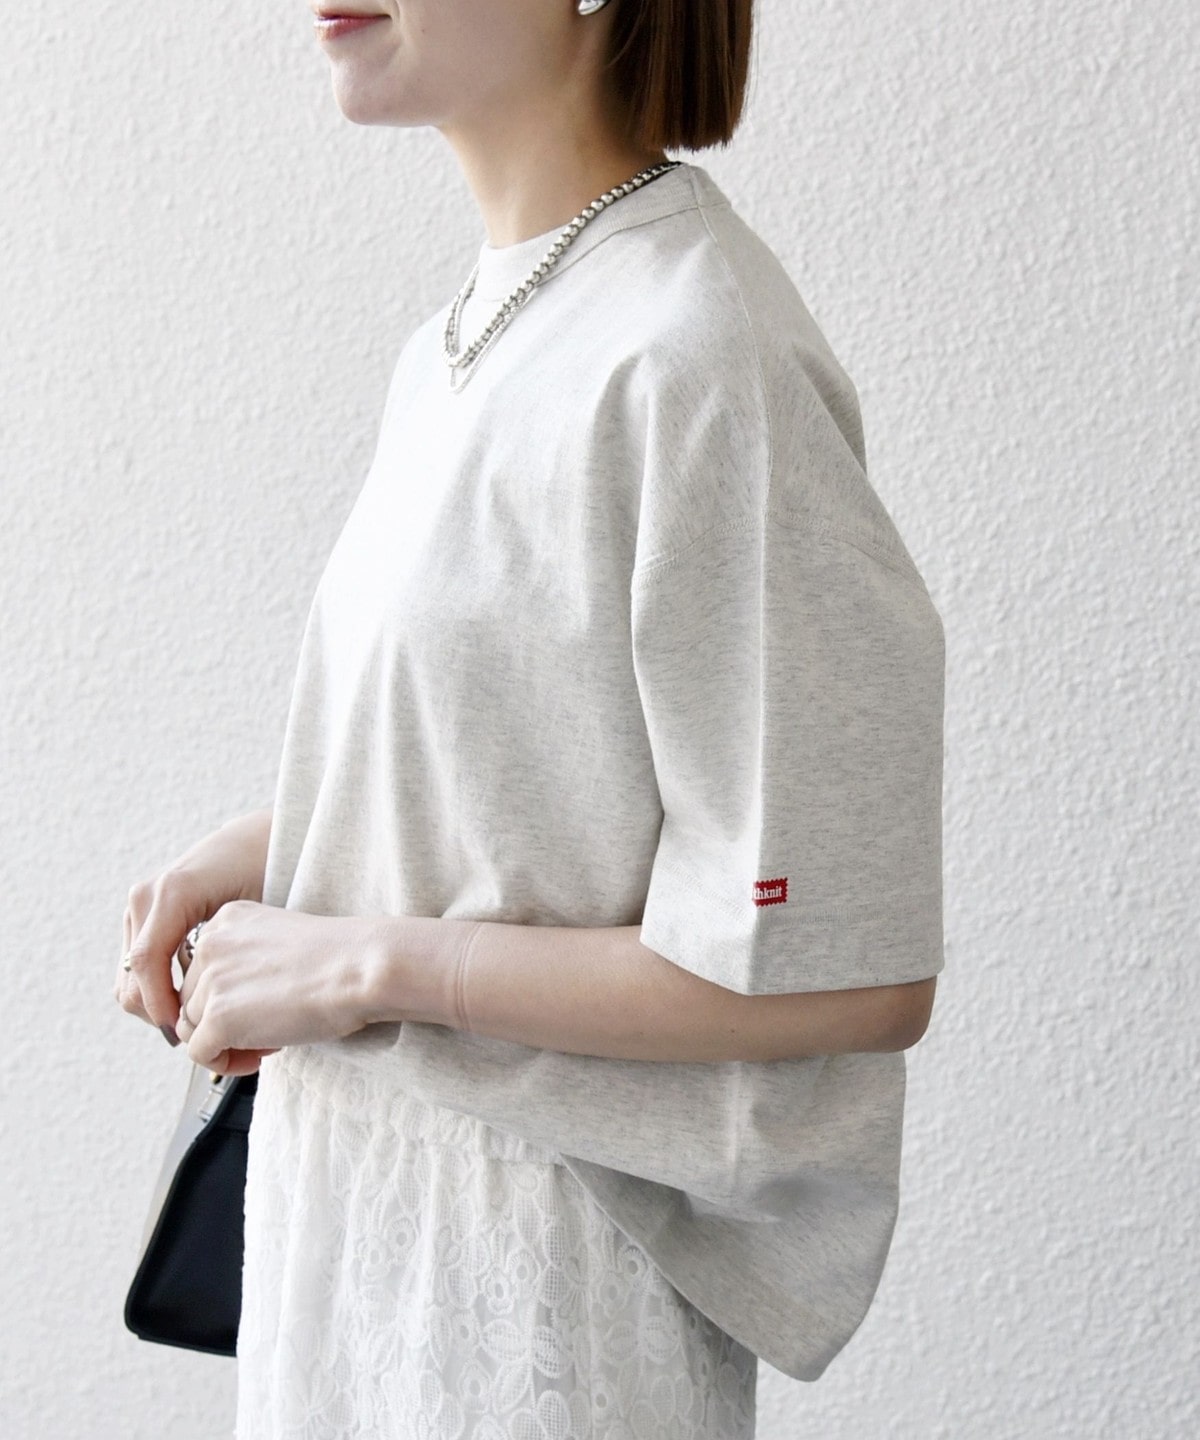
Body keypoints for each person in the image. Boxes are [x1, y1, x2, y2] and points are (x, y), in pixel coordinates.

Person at [115, 1, 947, 1435]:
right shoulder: (457, 342)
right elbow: (543, 771)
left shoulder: (701, 355)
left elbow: (845, 969)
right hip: (358, 1230)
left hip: (532, 1289)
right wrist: (270, 847)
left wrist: (364, 962)